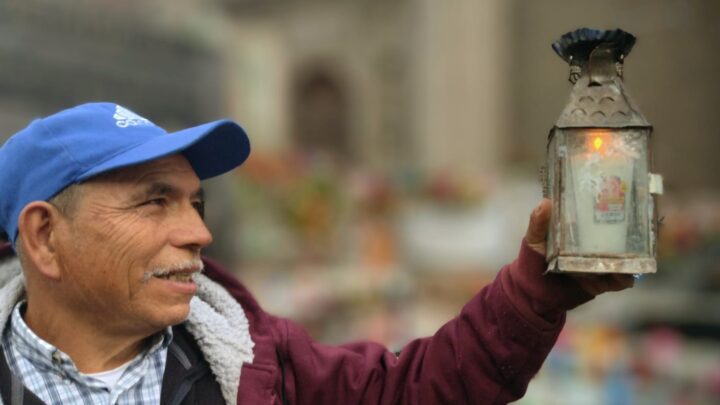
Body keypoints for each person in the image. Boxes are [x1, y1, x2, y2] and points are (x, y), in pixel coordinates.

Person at [0, 102, 633, 404]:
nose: (198, 233)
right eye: (154, 201)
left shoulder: (265, 367)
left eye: (197, 204)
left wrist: (537, 287)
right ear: (45, 237)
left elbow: (419, 390)